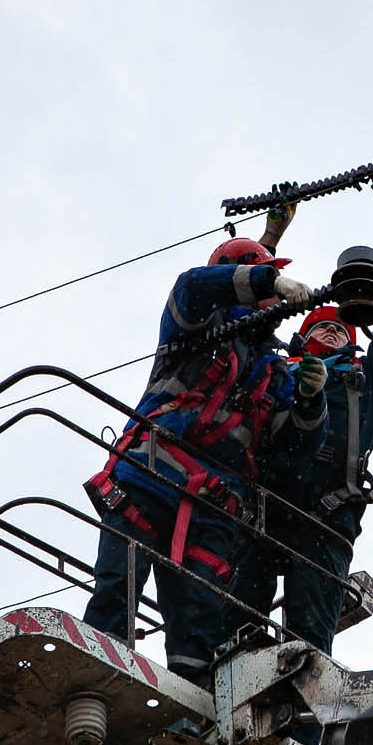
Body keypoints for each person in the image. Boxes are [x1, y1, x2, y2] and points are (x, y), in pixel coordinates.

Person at [82, 236, 329, 688]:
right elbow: (193, 286)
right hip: (147, 480)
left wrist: (311, 402)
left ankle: (190, 718)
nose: (274, 296)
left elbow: (293, 448)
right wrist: (267, 278)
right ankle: (100, 685)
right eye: (265, 280)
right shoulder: (194, 323)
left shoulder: (272, 371)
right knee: (116, 589)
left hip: (210, 511)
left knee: (198, 628)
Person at [223, 167, 373, 655]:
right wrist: (270, 237)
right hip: (263, 507)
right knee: (237, 633)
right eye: (320, 328)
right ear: (300, 339)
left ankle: (300, 728)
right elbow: (241, 319)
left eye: (341, 330)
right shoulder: (274, 371)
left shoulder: (365, 381)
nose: (332, 333)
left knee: (308, 650)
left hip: (328, 515)